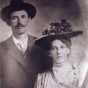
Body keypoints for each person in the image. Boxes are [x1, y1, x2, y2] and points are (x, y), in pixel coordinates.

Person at [0, 0, 41, 88]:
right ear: (8, 22)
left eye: (23, 17)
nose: (20, 22)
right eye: (14, 18)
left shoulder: (40, 44)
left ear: (29, 19)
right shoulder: (1, 48)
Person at [34, 19, 83, 88]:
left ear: (68, 50)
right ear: (49, 53)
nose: (58, 52)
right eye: (54, 48)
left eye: (62, 47)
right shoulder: (42, 78)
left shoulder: (78, 76)